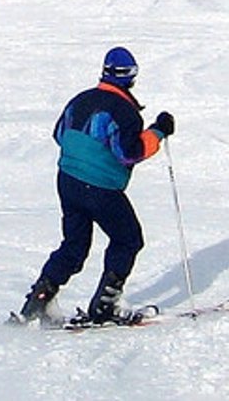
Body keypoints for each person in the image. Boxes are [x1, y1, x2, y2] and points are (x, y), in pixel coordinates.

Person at [16, 47, 176, 327]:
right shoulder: (125, 112)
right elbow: (129, 152)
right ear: (131, 77)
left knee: (74, 245)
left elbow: (59, 134)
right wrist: (158, 131)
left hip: (67, 180)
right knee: (128, 239)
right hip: (100, 187)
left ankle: (39, 300)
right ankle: (105, 305)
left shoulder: (80, 100)